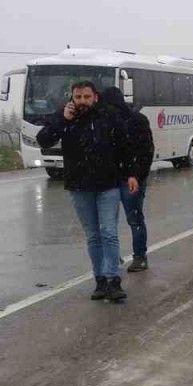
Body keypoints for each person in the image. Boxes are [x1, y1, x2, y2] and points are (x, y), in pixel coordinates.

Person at [37, 80, 138, 303]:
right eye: (78, 97)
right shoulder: (65, 117)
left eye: (86, 97)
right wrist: (62, 120)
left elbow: (124, 145)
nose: (82, 101)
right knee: (93, 235)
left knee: (108, 232)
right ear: (72, 98)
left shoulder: (108, 115)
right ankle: (100, 280)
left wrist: (131, 173)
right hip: (80, 186)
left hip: (108, 184)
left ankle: (113, 280)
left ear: (95, 97)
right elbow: (43, 140)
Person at [101, 87, 154, 272]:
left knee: (134, 218)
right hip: (110, 178)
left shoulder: (136, 120)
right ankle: (114, 256)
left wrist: (137, 175)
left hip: (130, 178)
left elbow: (146, 152)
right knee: (109, 221)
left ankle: (139, 256)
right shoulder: (105, 121)